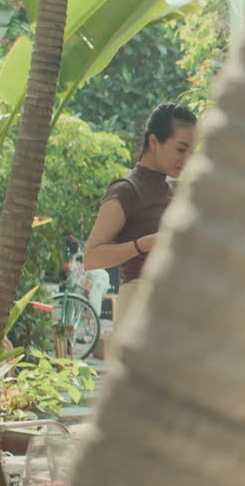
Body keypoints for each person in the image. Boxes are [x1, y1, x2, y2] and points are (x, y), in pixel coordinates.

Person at [84, 103, 197, 356]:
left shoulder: (178, 191)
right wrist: (144, 244)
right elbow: (91, 257)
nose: (186, 160)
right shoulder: (127, 190)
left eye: (191, 152)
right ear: (154, 141)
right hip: (139, 304)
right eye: (180, 149)